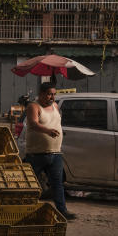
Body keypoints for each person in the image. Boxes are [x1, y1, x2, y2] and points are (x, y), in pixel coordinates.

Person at [23, 82, 74, 220]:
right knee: (30, 184)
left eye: (53, 94)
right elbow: (33, 124)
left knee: (57, 184)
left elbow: (56, 122)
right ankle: (24, 210)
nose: (52, 97)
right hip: (36, 154)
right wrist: (47, 131)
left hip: (55, 153)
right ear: (41, 94)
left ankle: (63, 211)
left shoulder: (55, 106)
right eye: (49, 94)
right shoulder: (33, 106)